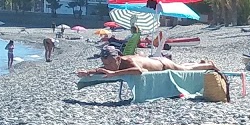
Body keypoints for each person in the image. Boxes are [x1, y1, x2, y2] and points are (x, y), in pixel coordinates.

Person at [77, 54, 221, 77]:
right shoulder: (116, 62)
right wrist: (89, 71)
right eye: (105, 63)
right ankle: (201, 63)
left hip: (163, 65)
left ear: (118, 58)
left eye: (110, 62)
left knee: (183, 69)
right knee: (181, 65)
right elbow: (103, 69)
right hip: (157, 60)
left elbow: (139, 71)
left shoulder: (128, 62)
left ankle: (209, 66)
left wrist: (114, 74)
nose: (108, 66)